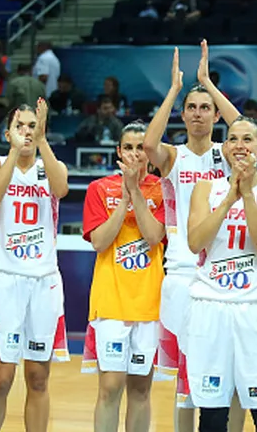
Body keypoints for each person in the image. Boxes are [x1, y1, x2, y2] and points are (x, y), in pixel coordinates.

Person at [143, 42, 240, 432]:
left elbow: (243, 128)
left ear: (215, 114)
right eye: (193, 107)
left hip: (223, 274)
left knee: (227, 374)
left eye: (205, 108)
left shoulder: (228, 152)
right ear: (183, 115)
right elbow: (148, 144)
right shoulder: (172, 156)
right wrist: (173, 90)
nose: (198, 114)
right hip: (183, 274)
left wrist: (205, 83)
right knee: (186, 378)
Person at [186, 116, 257, 431]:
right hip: (210, 305)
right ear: (224, 147)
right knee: (212, 411)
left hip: (256, 307)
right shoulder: (206, 188)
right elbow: (195, 242)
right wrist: (227, 200)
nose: (239, 146)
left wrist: (246, 194)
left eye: (247, 140)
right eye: (232, 139)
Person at [0, 99, 70, 432]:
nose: (27, 132)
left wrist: (42, 141)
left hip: (44, 279)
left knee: (38, 377)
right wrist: (16, 152)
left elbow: (61, 189)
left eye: (33, 125)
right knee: (1, 378)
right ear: (7, 133)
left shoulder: (51, 164)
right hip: (5, 278)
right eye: (21, 126)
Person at [81, 122, 166, 431]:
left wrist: (135, 191)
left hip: (149, 303)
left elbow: (155, 236)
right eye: (128, 147)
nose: (134, 154)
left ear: (151, 154)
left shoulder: (163, 188)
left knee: (141, 390)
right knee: (110, 387)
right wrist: (124, 199)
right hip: (111, 302)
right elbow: (100, 241)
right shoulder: (98, 189)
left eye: (141, 148)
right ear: (118, 151)